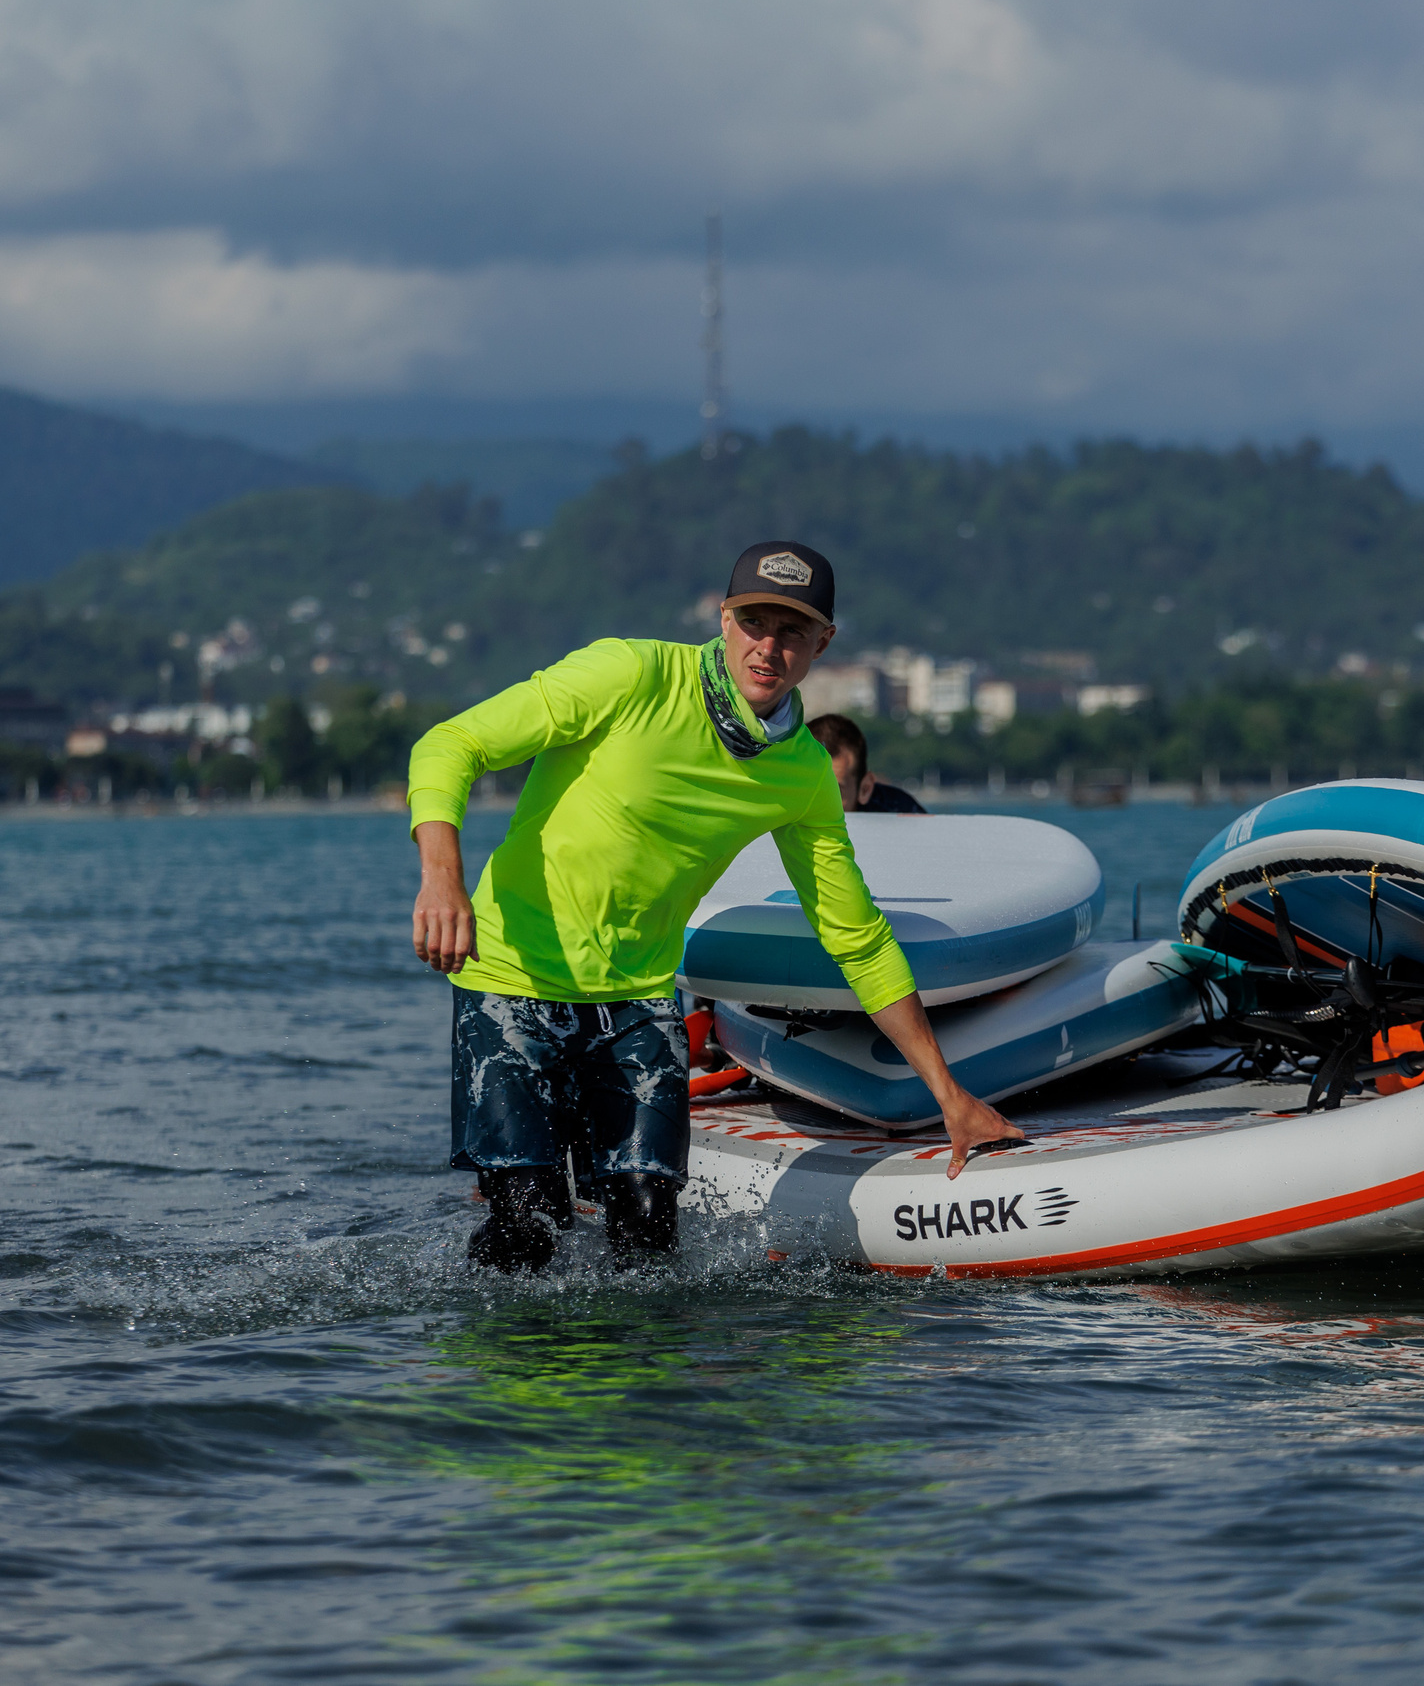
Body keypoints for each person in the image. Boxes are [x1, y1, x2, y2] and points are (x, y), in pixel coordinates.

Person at [407, 541, 1023, 1271]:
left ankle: (635, 1384)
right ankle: (508, 1377)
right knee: (526, 1226)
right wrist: (443, 878)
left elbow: (856, 936)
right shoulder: (630, 674)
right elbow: (451, 744)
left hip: (635, 1001)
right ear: (723, 618)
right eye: (755, 621)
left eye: (792, 631)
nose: (769, 647)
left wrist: (949, 1094)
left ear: (822, 643)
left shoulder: (799, 774)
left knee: (648, 1234)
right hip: (511, 980)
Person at [806, 712, 926, 814]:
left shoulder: (902, 812)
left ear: (865, 789)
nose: (814, 807)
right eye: (805, 789)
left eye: (834, 792)